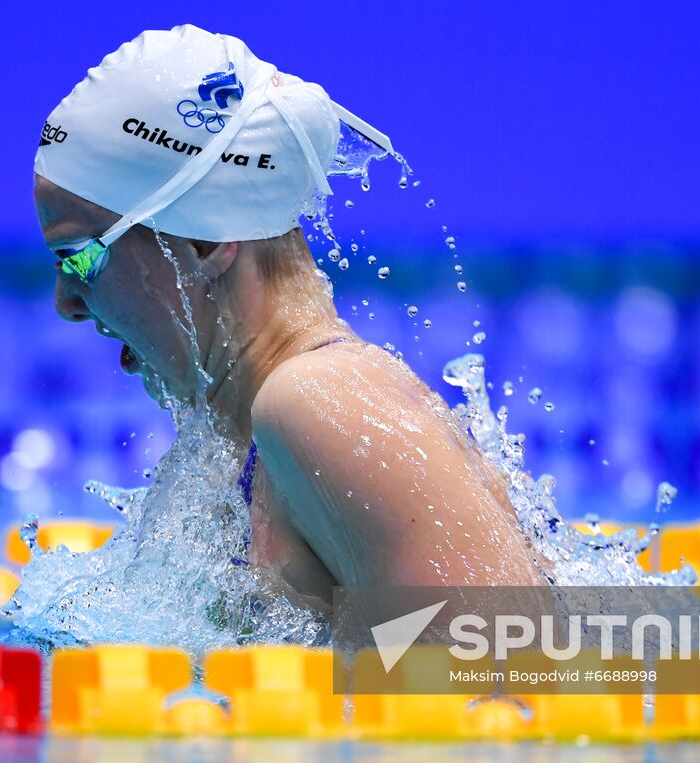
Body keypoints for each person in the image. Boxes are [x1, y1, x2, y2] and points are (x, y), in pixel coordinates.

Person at [33, 25, 543, 611]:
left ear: (202, 241)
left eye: (81, 257)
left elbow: (516, 670)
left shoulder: (318, 402)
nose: (66, 303)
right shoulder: (248, 432)